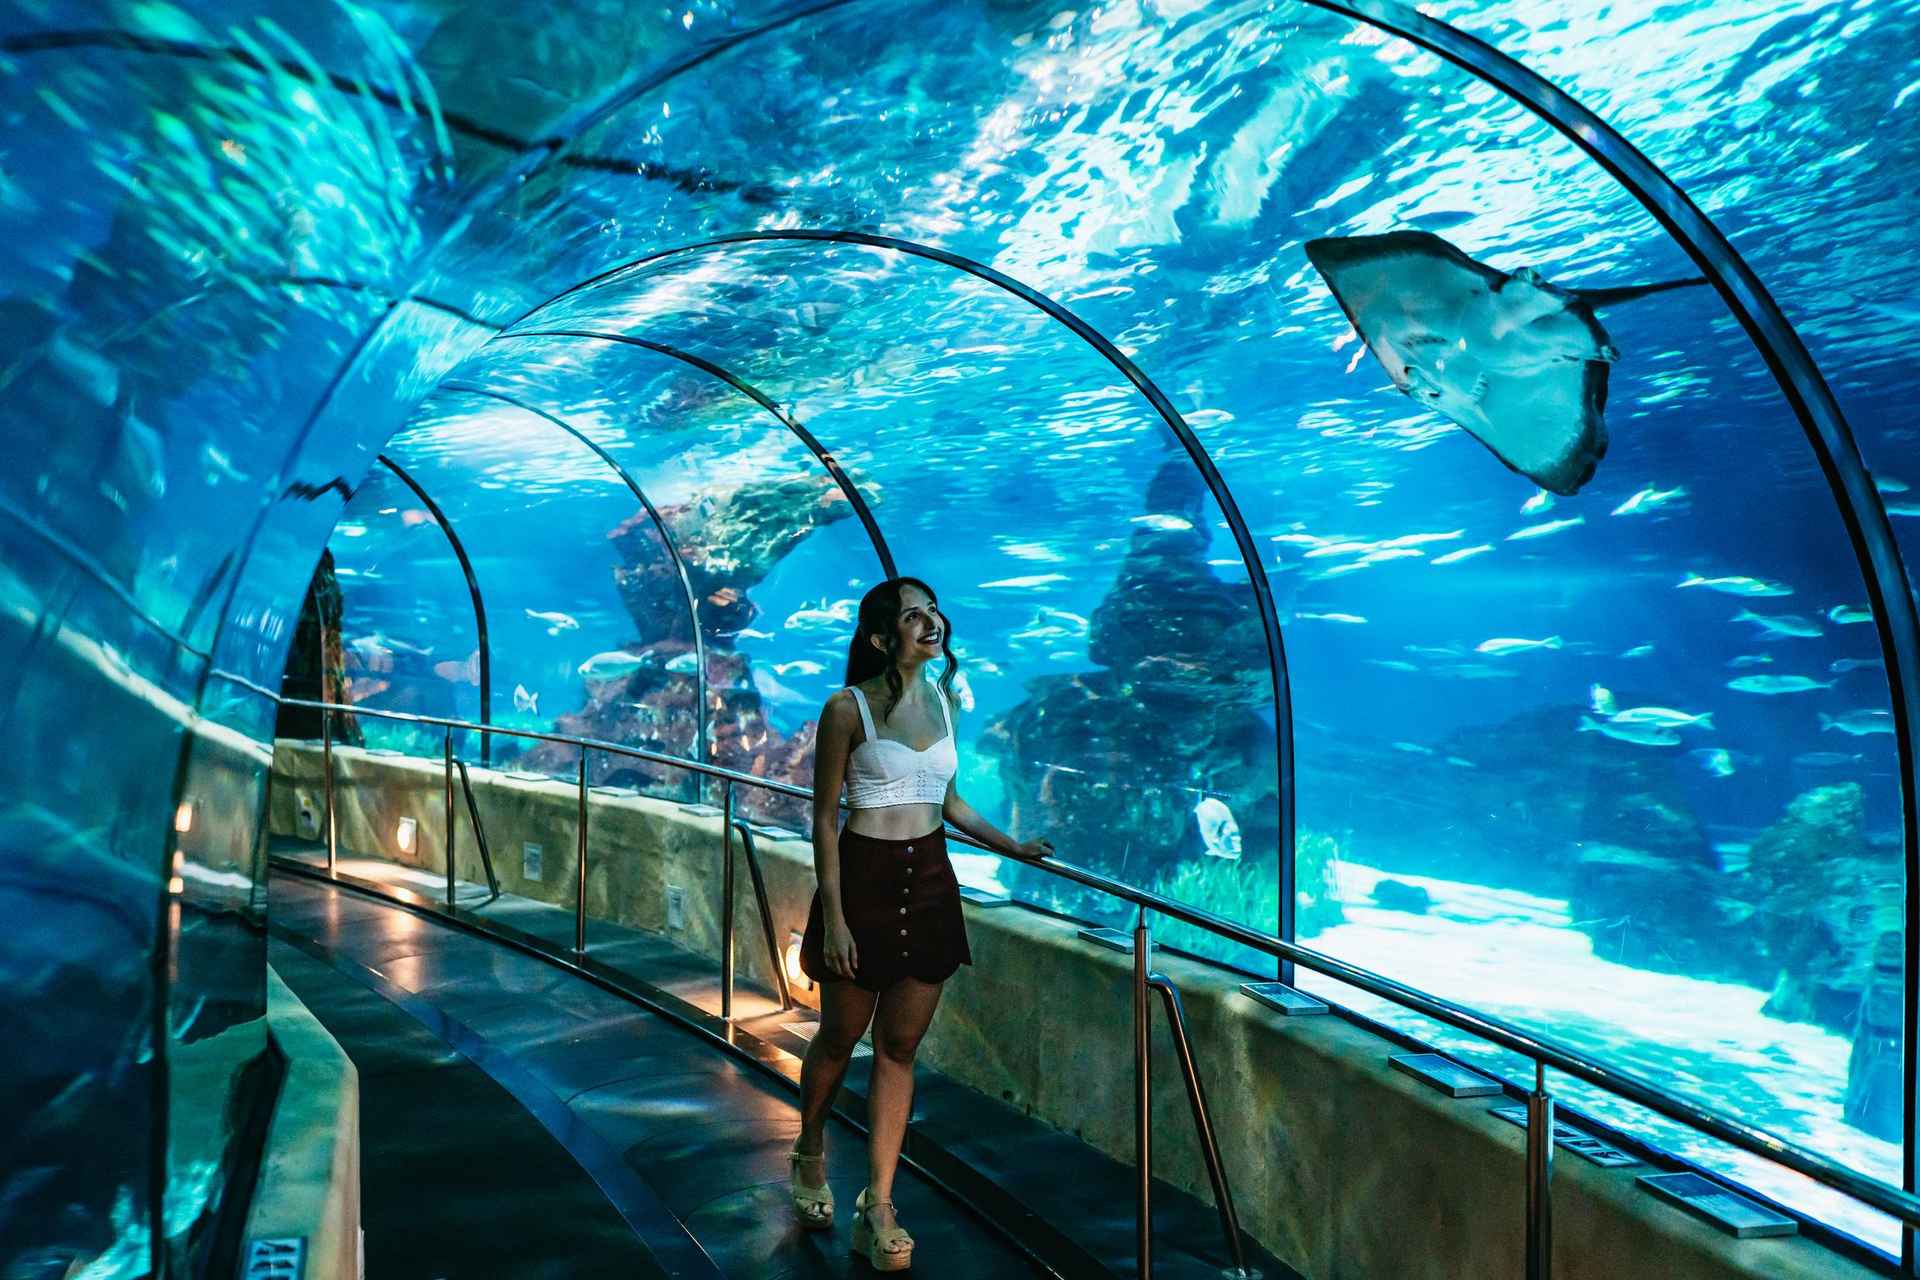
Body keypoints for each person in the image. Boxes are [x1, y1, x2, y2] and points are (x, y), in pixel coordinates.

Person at [787, 576, 1053, 1268]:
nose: (932, 621)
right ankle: (810, 1148)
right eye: (913, 616)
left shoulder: (946, 697)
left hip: (932, 882)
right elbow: (824, 818)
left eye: (932, 609)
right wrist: (834, 918)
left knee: (900, 1048)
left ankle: (877, 1204)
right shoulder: (845, 709)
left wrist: (1011, 846)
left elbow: (950, 800)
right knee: (840, 1036)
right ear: (881, 638)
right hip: (864, 882)